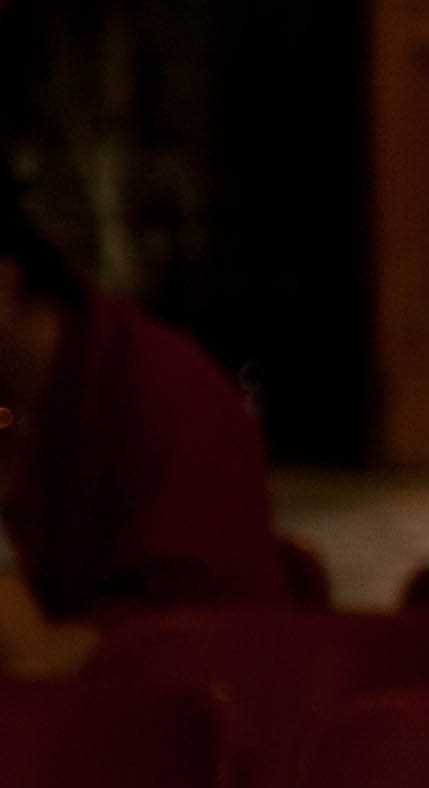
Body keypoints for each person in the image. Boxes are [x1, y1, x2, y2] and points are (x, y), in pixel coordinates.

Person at [0, 194, 288, 674]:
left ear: (7, 279)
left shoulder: (159, 387)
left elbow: (205, 623)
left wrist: (53, 650)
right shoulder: (16, 395)